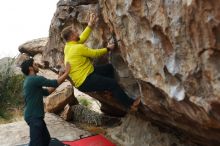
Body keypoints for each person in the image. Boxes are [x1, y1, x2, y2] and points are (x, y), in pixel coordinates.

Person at [61, 13, 140, 111]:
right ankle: (131, 105)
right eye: (75, 32)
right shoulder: (77, 48)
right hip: (85, 81)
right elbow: (94, 54)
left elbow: (81, 38)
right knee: (113, 84)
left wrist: (90, 25)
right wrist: (108, 48)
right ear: (72, 36)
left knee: (109, 68)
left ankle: (108, 91)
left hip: (88, 73)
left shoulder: (68, 47)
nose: (77, 32)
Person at [20, 58, 70, 146]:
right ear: (30, 68)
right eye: (35, 64)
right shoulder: (34, 79)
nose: (37, 65)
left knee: (46, 140)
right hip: (33, 117)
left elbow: (47, 92)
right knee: (37, 143)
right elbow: (54, 83)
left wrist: (59, 77)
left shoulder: (31, 81)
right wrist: (67, 72)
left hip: (36, 117)